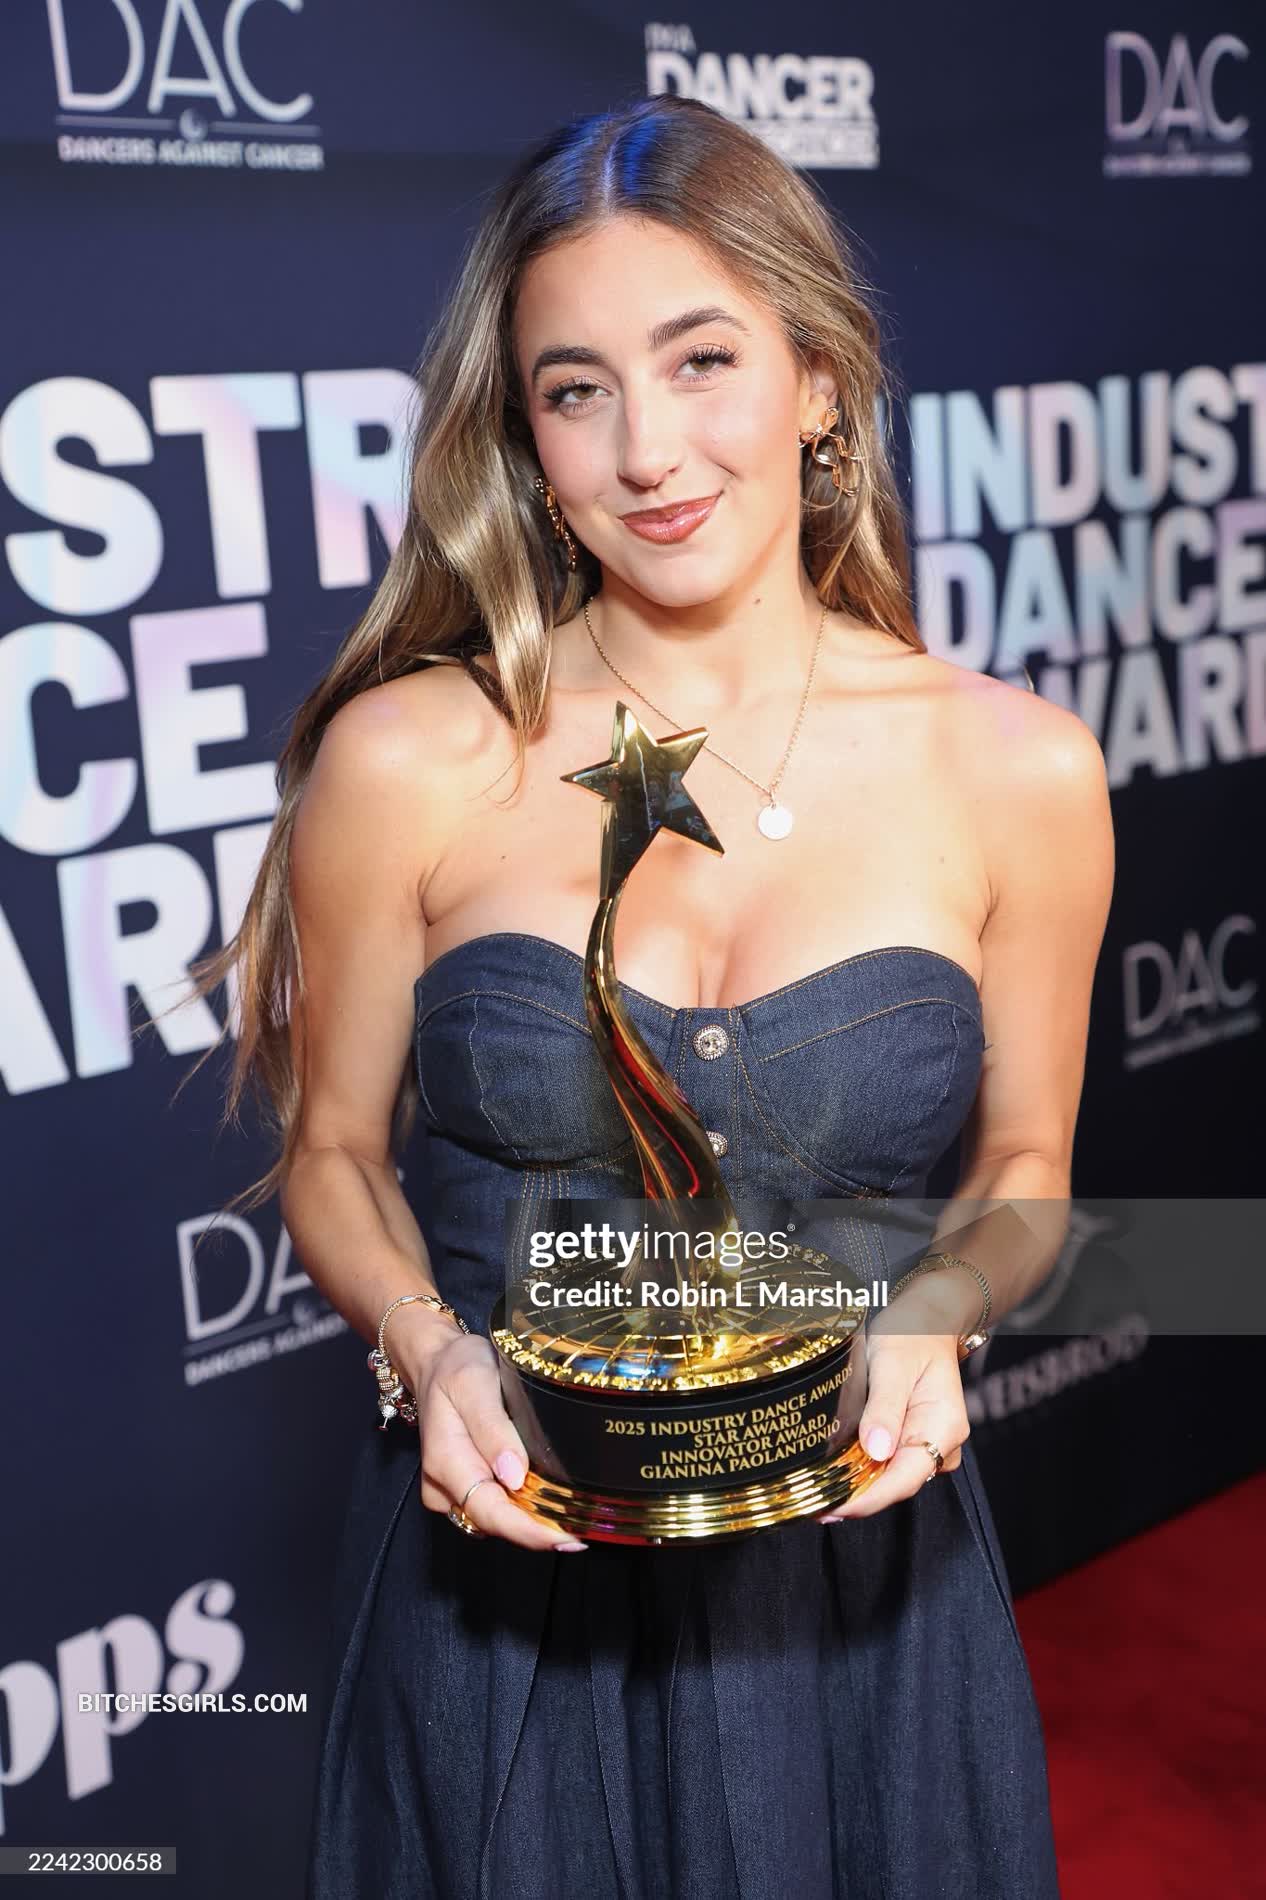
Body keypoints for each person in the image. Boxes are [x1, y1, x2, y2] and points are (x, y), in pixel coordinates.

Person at [190, 93, 1114, 1899]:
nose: (645, 450)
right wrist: (426, 1349)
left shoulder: (1015, 769)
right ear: (524, 441)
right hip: (499, 1590)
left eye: (702, 360)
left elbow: (1026, 1171)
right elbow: (332, 1156)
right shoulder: (410, 759)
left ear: (818, 382)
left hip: (862, 1596)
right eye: (576, 389)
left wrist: (938, 1312)